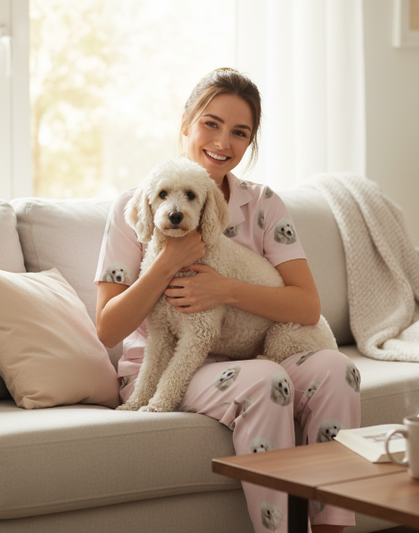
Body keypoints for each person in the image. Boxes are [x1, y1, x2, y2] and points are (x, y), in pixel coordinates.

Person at [95, 68, 361, 533]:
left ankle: (333, 526)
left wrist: (225, 289)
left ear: (251, 142)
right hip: (161, 368)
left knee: (338, 369)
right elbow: (108, 329)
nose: (223, 141)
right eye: (211, 124)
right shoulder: (136, 206)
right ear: (186, 124)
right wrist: (165, 263)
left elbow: (306, 308)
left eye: (241, 132)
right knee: (265, 379)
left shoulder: (264, 204)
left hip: (253, 349)